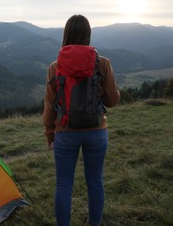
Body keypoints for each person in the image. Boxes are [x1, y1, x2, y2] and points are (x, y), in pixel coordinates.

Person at [43, 14, 120, 226]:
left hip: (65, 132)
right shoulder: (103, 64)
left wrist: (50, 133)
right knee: (95, 181)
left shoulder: (54, 67)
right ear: (88, 34)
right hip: (96, 131)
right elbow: (113, 100)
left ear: (66, 34)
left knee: (63, 184)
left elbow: (49, 105)